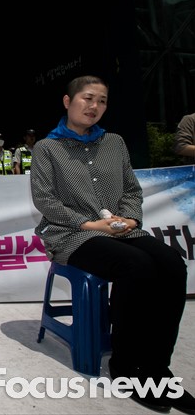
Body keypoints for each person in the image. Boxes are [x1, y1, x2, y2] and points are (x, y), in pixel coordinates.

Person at [31, 74, 194, 414]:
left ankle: (157, 368)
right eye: (87, 98)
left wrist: (130, 219)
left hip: (121, 230)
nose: (94, 106)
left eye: (102, 101)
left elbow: (132, 190)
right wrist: (91, 224)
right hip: (72, 234)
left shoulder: (115, 143)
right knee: (136, 266)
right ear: (68, 101)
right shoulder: (47, 148)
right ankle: (125, 365)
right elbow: (45, 201)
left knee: (171, 264)